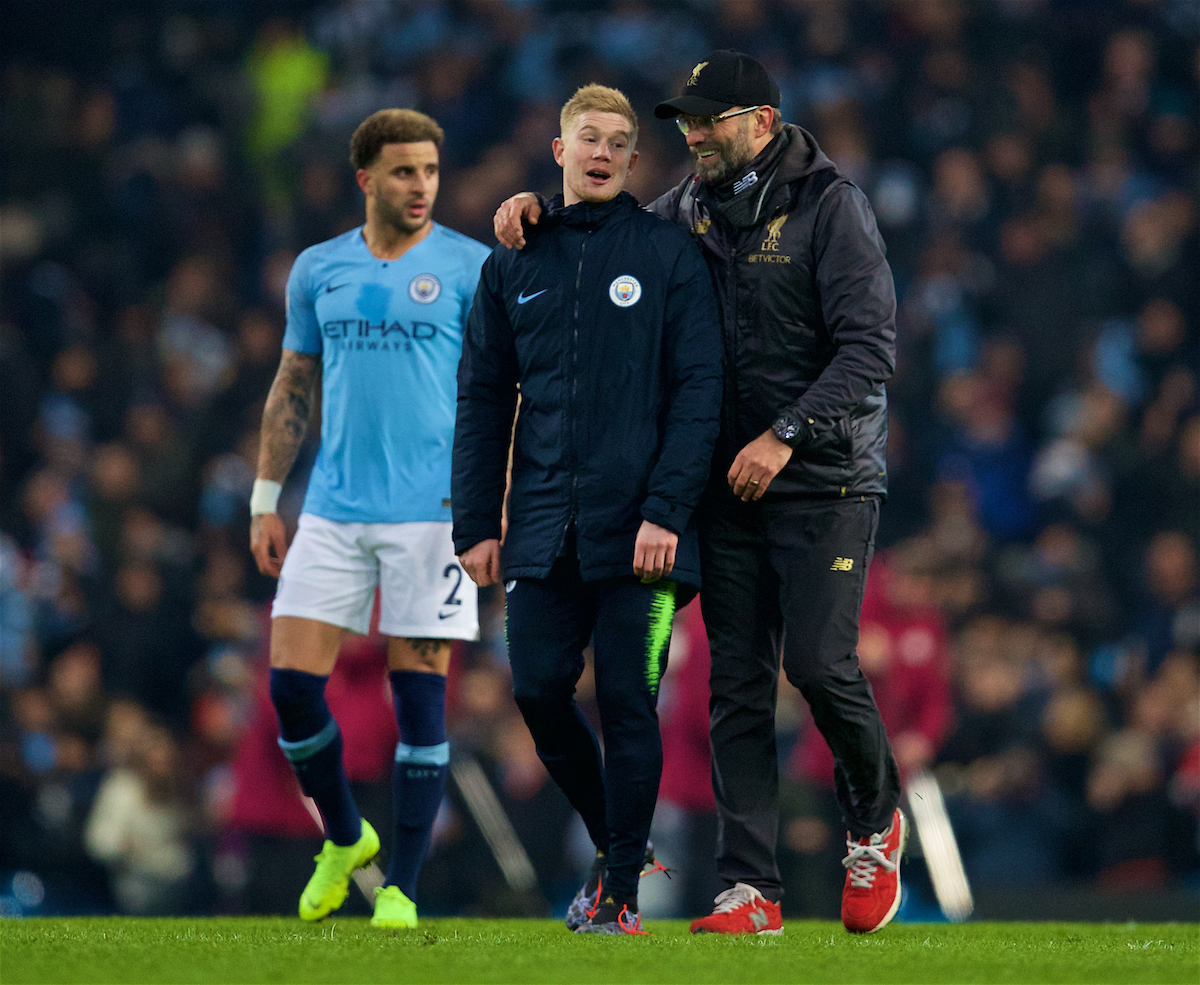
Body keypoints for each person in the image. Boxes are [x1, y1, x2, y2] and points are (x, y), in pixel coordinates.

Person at [494, 51, 903, 935]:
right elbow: (609, 239)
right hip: (727, 486)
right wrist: (537, 211)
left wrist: (784, 433)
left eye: (710, 118)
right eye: (685, 118)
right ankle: (748, 888)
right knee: (735, 685)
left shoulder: (832, 207)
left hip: (824, 474)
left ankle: (876, 819)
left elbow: (870, 351)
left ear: (761, 121)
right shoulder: (683, 212)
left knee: (819, 666)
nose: (692, 132)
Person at [454, 84, 723, 935]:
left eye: (618, 141)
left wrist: (667, 510)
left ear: (634, 161)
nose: (603, 151)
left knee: (629, 705)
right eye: (588, 138)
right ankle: (622, 845)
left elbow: (699, 395)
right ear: (560, 150)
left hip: (644, 532)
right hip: (538, 526)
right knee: (536, 691)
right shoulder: (513, 263)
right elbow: (484, 399)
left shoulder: (670, 255)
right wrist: (474, 524)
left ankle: (620, 893)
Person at [249, 108, 490, 929]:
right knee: (289, 688)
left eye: (429, 170)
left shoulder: (471, 266)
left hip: (436, 515)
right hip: (333, 509)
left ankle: (403, 889)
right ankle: (347, 836)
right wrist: (263, 498)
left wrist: (489, 505)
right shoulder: (319, 269)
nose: (420, 186)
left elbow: (508, 392)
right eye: (402, 172)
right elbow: (292, 384)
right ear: (366, 179)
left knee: (419, 702)